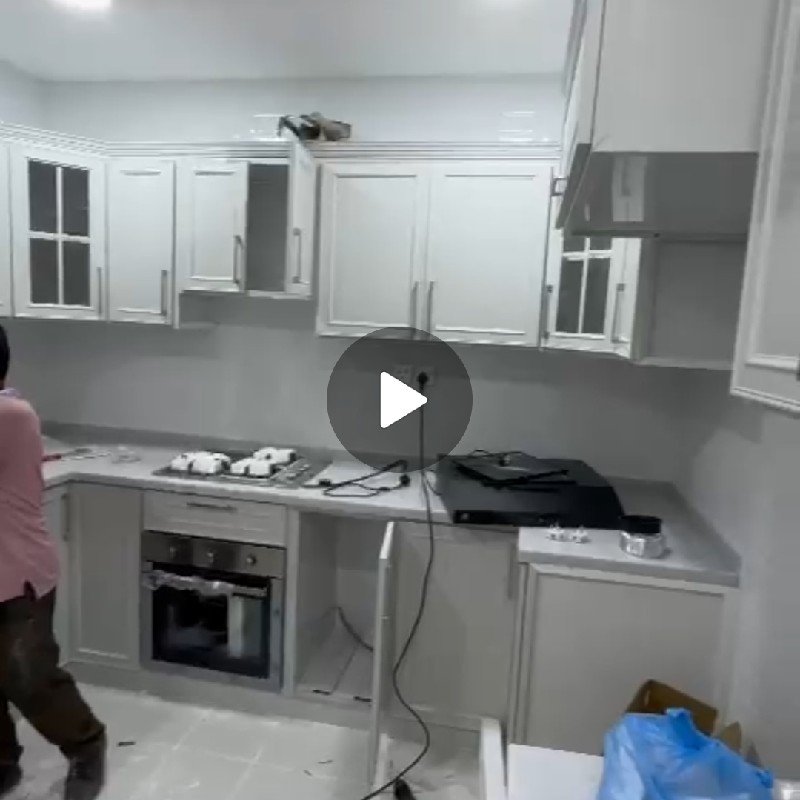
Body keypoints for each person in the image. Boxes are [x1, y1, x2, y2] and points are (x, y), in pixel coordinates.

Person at [0, 323, 106, 800]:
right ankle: (2, 763)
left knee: (29, 675)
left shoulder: (12, 414)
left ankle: (87, 745)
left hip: (16, 571)